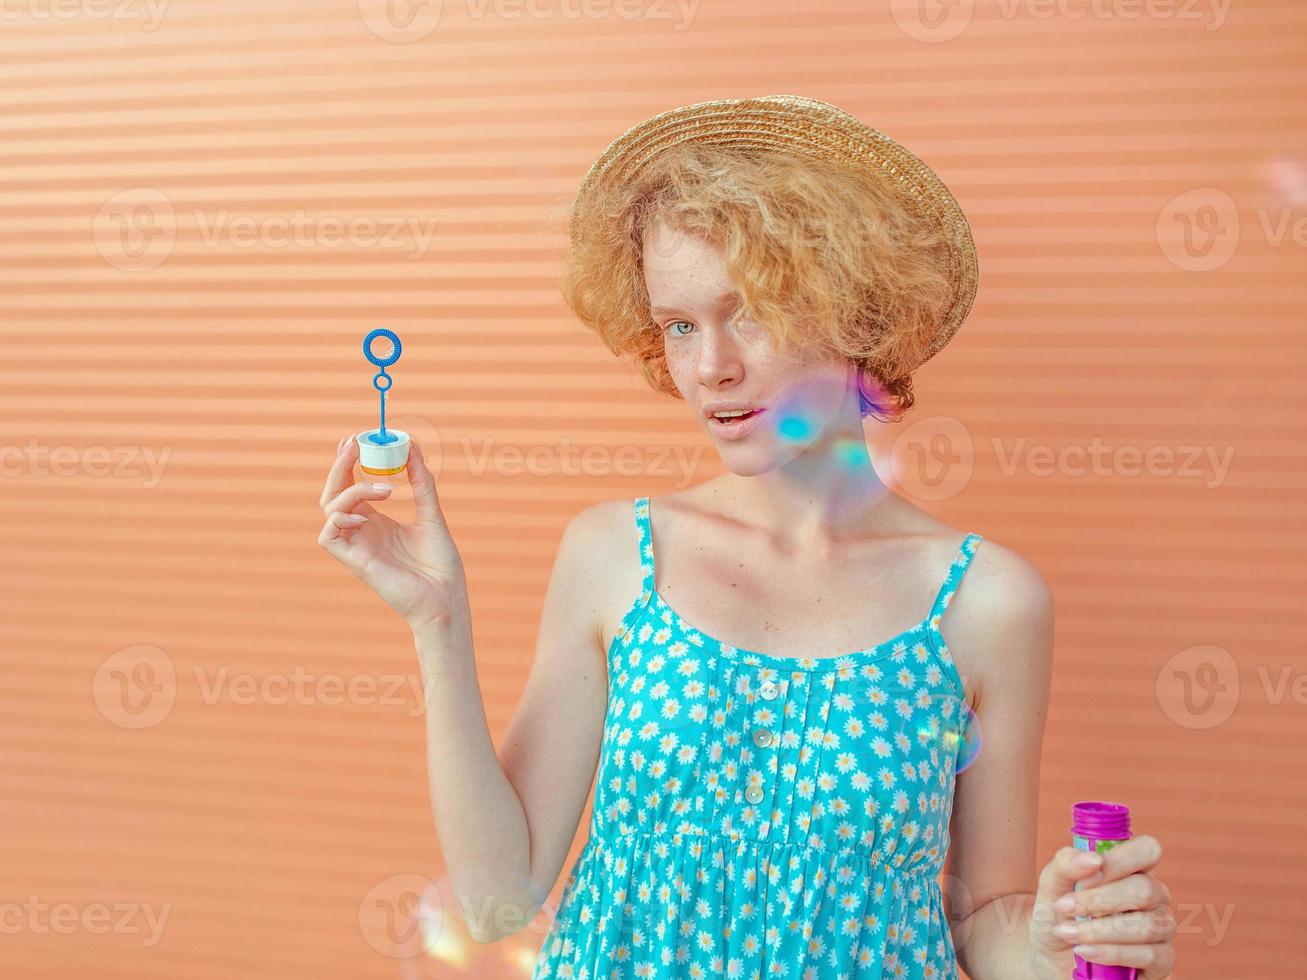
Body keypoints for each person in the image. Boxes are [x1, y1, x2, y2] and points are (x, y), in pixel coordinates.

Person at [317, 96, 1176, 979]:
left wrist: (1050, 945)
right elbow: (499, 902)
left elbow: (986, 918)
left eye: (750, 311)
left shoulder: (988, 599)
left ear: (855, 310)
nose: (707, 366)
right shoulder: (613, 554)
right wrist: (437, 621)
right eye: (678, 325)